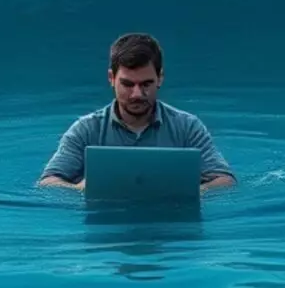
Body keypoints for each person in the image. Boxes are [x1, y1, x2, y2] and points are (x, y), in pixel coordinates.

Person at [37, 32, 237, 192]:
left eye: (146, 84)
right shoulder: (86, 129)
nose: (137, 94)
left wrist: (194, 191)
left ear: (160, 78)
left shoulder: (187, 127)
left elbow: (225, 180)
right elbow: (47, 183)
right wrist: (81, 189)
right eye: (127, 84)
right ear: (111, 78)